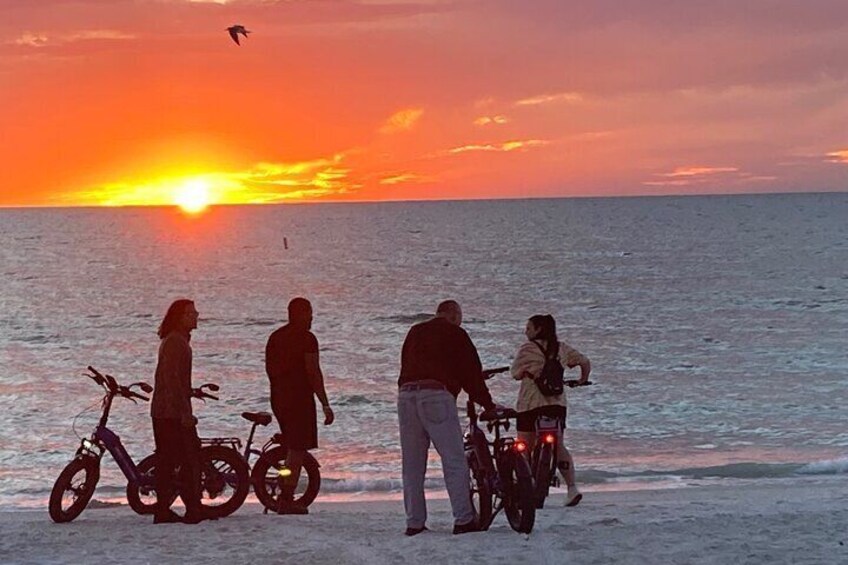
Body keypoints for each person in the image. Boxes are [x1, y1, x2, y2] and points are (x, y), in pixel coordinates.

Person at [397, 300, 501, 536]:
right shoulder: (455, 333)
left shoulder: (414, 332)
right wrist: (487, 403)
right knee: (454, 460)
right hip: (436, 395)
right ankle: (463, 519)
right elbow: (471, 373)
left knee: (412, 465)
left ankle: (414, 523)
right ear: (454, 315)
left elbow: (405, 366)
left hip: (406, 396)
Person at [511, 314, 591, 507]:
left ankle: (525, 485)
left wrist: (525, 372)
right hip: (556, 405)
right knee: (558, 444)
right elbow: (585, 361)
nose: (526, 331)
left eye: (529, 328)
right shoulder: (561, 348)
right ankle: (571, 488)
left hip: (530, 404)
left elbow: (515, 373)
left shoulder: (528, 348)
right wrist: (581, 380)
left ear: (538, 329)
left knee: (524, 446)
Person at [265, 297, 335, 515]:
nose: (311, 317)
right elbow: (313, 372)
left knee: (291, 446)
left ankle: (282, 487)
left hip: (278, 398)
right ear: (297, 314)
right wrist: (325, 403)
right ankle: (286, 497)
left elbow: (270, 370)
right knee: (297, 449)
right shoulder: (307, 339)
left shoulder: (275, 337)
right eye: (308, 313)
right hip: (299, 399)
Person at [150, 298, 204, 524]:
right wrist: (185, 413)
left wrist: (190, 392)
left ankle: (165, 509)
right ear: (180, 317)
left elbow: (175, 379)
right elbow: (171, 380)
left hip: (167, 410)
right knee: (188, 459)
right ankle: (191, 510)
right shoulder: (175, 343)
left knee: (170, 460)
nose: (197, 315)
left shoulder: (179, 341)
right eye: (191, 313)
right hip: (170, 413)